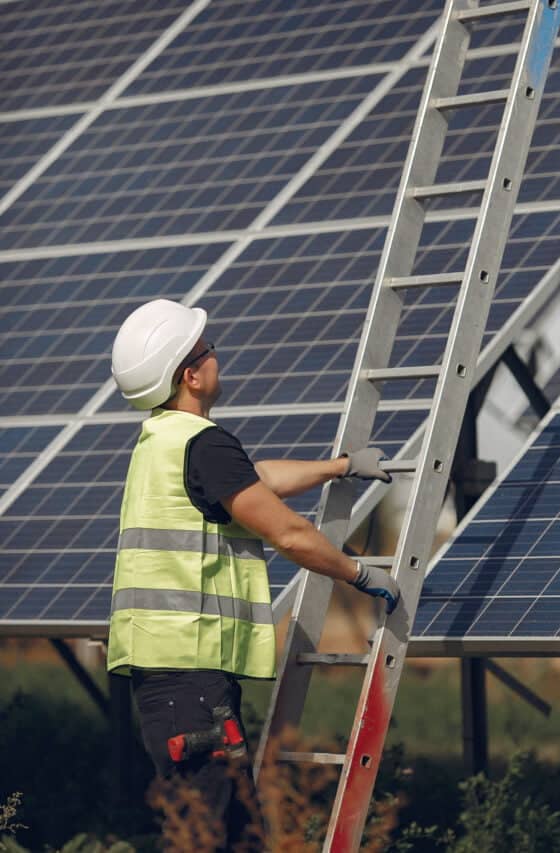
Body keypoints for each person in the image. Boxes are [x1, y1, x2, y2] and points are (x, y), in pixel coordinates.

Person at [106, 298, 400, 849]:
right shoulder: (201, 445)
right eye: (207, 350)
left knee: (235, 837)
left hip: (172, 677)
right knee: (207, 836)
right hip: (189, 679)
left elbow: (254, 479)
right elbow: (287, 533)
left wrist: (338, 467)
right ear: (191, 375)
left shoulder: (162, 441)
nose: (217, 356)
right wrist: (360, 575)